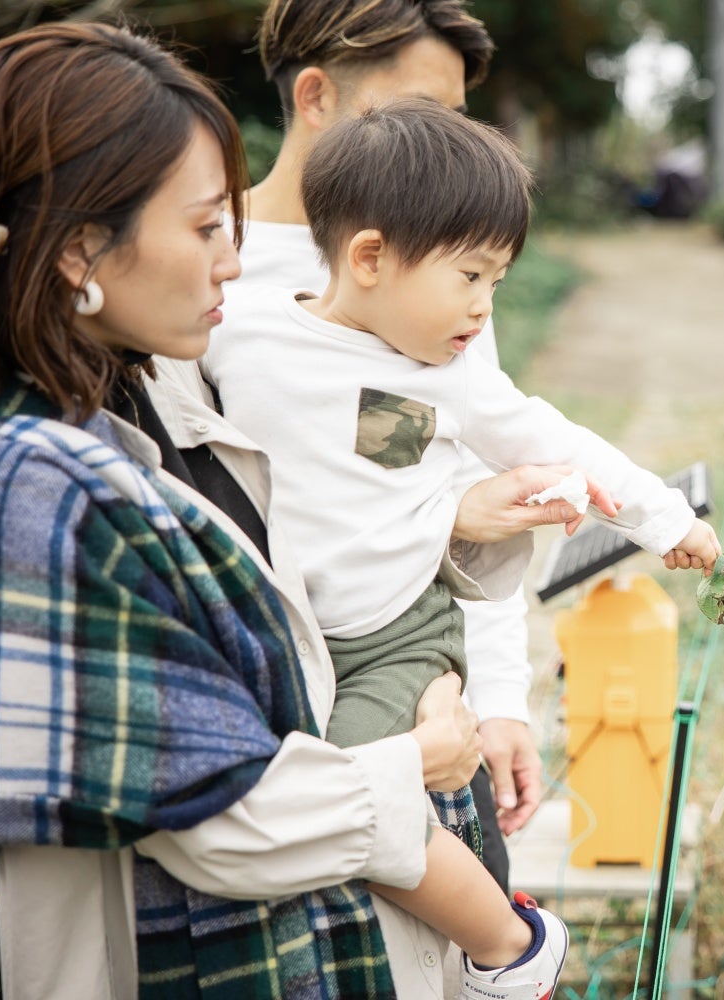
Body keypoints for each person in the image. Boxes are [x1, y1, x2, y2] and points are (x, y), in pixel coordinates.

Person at [0, 22, 580, 999]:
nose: (234, 257)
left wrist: (441, 655)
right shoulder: (45, 483)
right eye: (203, 227)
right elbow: (231, 815)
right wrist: (415, 756)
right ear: (79, 249)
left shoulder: (161, 390)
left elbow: (348, 534)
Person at [201, 96, 719, 995]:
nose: (483, 309)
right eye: (470, 277)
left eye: (497, 282)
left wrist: (665, 518)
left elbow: (557, 440)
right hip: (294, 640)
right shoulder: (236, 329)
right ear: (367, 258)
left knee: (354, 797)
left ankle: (507, 946)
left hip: (395, 637)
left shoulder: (450, 379)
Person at [213, 0, 549, 888]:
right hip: (277, 711)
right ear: (317, 95)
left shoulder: (441, 265)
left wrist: (501, 699)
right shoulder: (205, 269)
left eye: (457, 121)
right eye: (420, 115)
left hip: (420, 690)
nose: (442, 147)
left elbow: (479, 472)